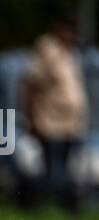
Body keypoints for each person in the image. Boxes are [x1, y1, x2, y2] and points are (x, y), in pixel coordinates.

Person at [25, 14, 89, 207]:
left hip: (72, 125)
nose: (72, 34)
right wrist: (32, 118)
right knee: (54, 173)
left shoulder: (70, 54)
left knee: (69, 174)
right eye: (69, 29)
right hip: (51, 123)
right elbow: (31, 86)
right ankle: (47, 210)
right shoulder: (47, 50)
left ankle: (62, 211)